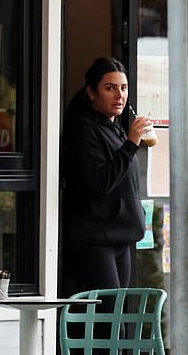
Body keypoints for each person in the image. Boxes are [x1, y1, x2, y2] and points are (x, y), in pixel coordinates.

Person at [60, 57, 155, 298]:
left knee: (117, 319)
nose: (119, 95)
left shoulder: (116, 129)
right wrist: (131, 143)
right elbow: (101, 181)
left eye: (123, 88)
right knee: (107, 319)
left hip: (122, 235)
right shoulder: (83, 129)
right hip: (96, 238)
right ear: (91, 92)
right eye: (110, 88)